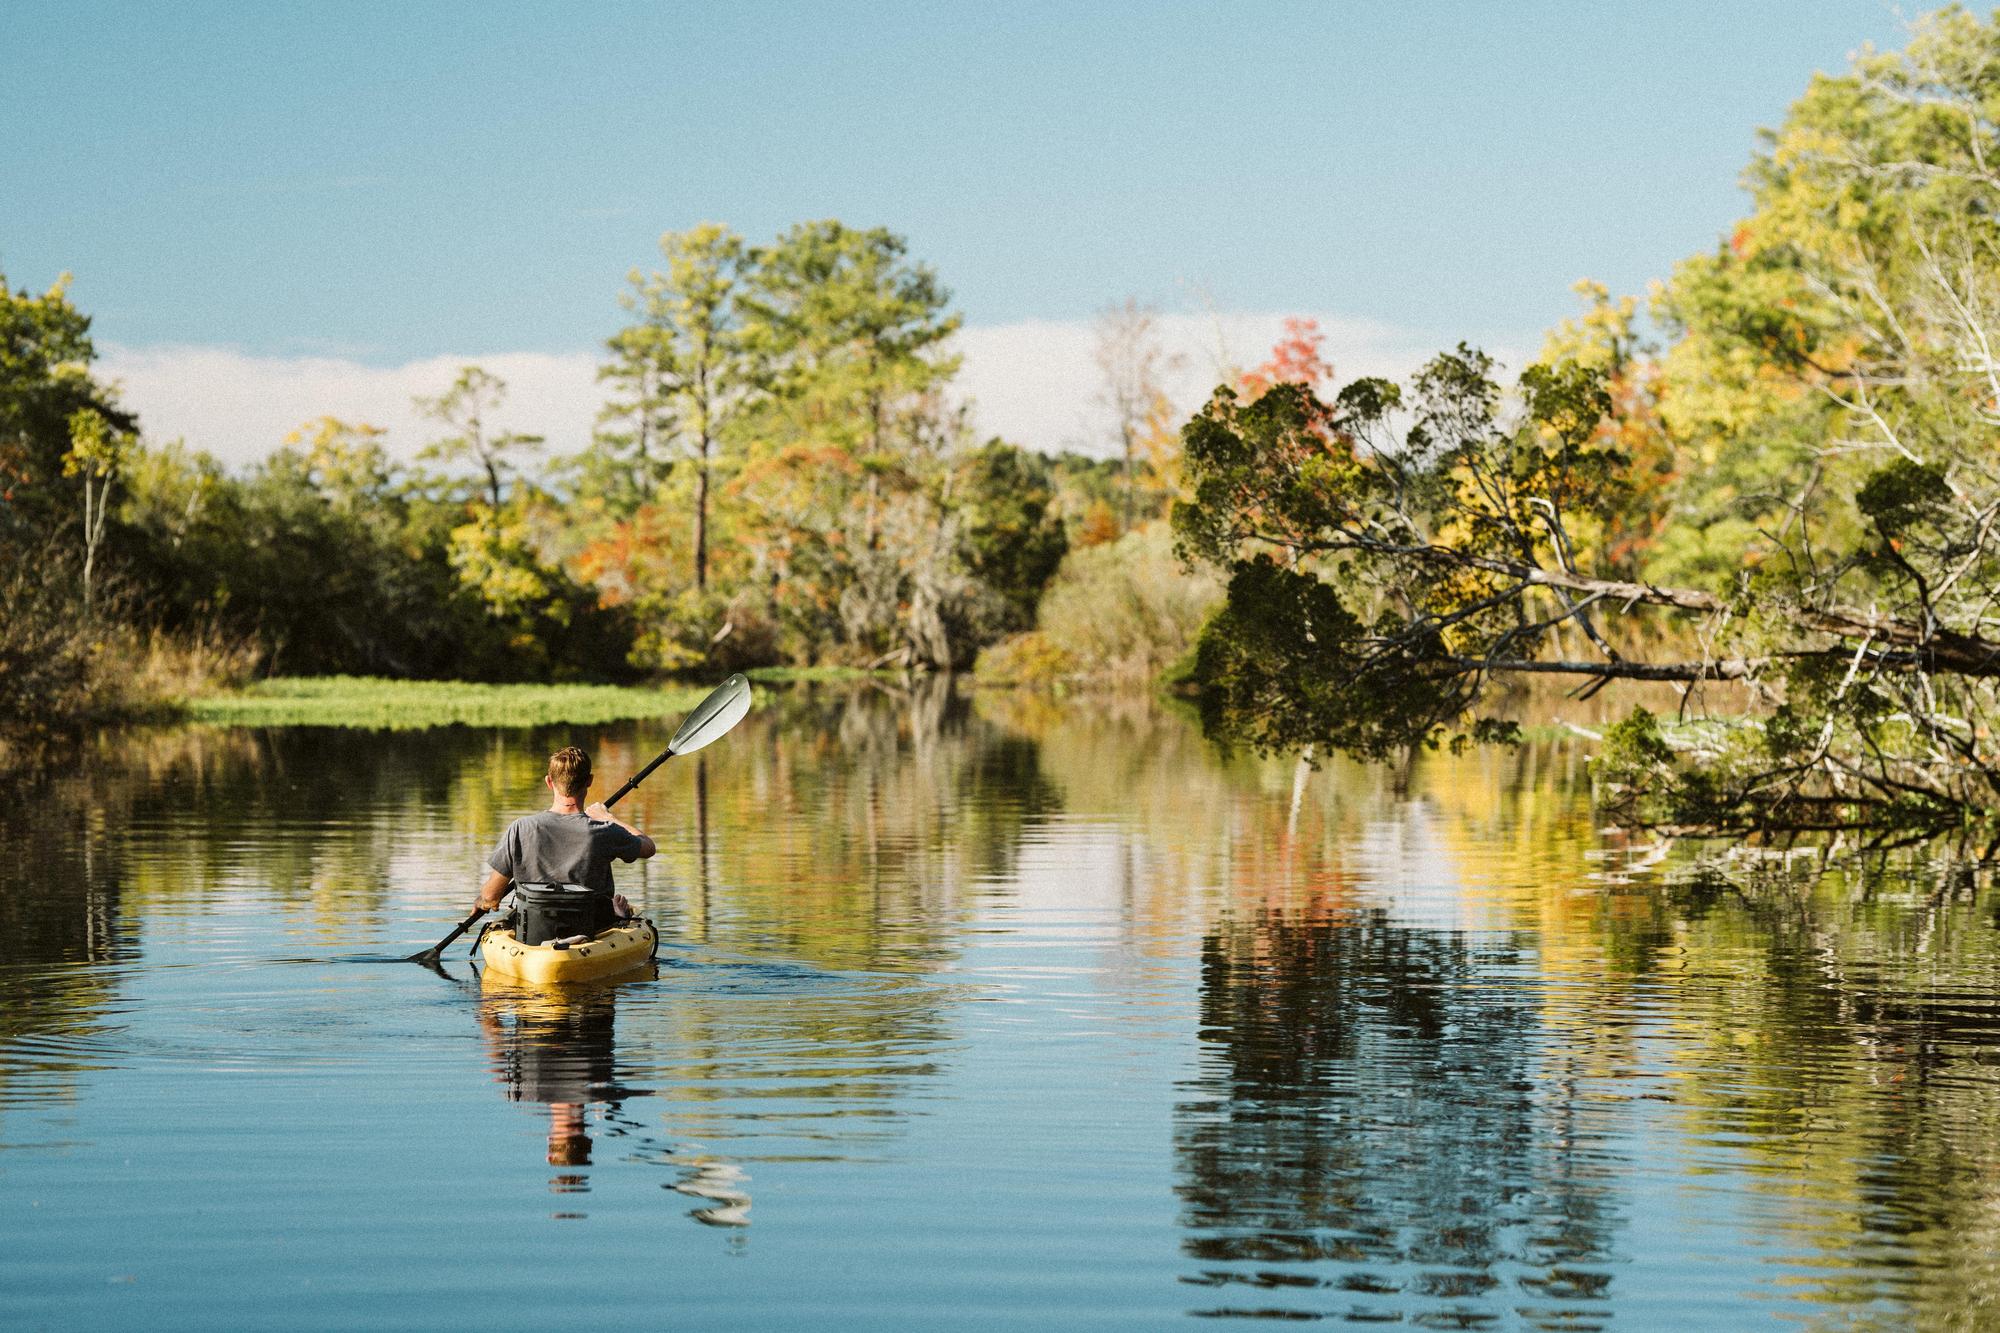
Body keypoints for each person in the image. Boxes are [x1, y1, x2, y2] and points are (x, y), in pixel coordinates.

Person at [475, 746, 656, 939]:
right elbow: (648, 847)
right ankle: (617, 914)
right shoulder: (604, 830)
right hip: (592, 930)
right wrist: (609, 818)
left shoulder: (520, 828)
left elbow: (491, 897)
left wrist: (481, 902)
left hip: (534, 931)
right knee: (618, 909)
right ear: (589, 781)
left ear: (549, 782)